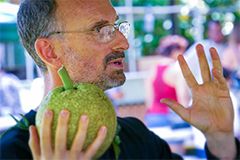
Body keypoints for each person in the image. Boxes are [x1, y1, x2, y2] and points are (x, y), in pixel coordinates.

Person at [0, 0, 239, 159]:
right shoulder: (13, 152)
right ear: (50, 52)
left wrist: (221, 141)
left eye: (116, 27)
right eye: (100, 30)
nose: (123, 43)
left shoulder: (137, 138)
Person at [144, 35, 190, 127]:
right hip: (173, 119)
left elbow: (149, 101)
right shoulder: (177, 70)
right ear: (175, 51)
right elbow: (183, 100)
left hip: (153, 118)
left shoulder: (152, 70)